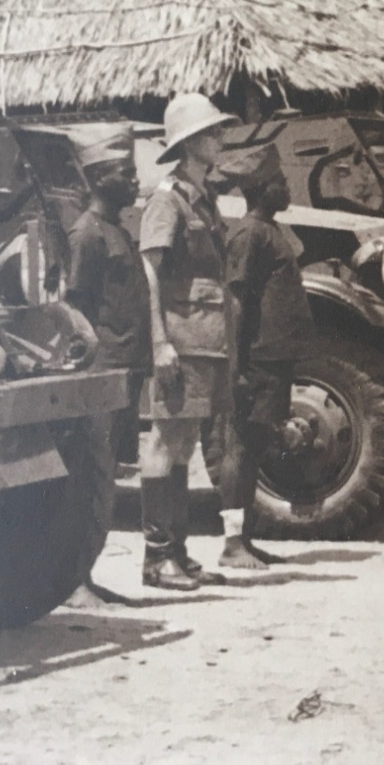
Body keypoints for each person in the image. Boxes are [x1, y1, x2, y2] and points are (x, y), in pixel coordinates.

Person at [138, 92, 239, 591]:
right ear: (190, 142)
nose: (221, 139)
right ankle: (156, 559)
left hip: (206, 340)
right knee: (165, 440)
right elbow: (150, 276)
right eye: (213, 133)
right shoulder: (167, 200)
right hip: (180, 339)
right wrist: (160, 344)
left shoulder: (203, 198)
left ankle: (176, 553)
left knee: (185, 445)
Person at [218, 142, 317, 570]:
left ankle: (246, 539)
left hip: (273, 358)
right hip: (257, 359)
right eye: (280, 182)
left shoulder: (269, 230)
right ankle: (232, 544)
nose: (287, 187)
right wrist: (236, 367)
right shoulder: (249, 234)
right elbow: (236, 302)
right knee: (242, 445)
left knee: (254, 445)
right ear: (261, 189)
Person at [64, 123, 152, 471]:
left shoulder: (115, 229)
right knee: (97, 466)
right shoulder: (87, 234)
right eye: (126, 173)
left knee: (113, 466)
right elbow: (75, 306)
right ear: (100, 178)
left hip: (126, 367)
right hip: (105, 372)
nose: (136, 181)